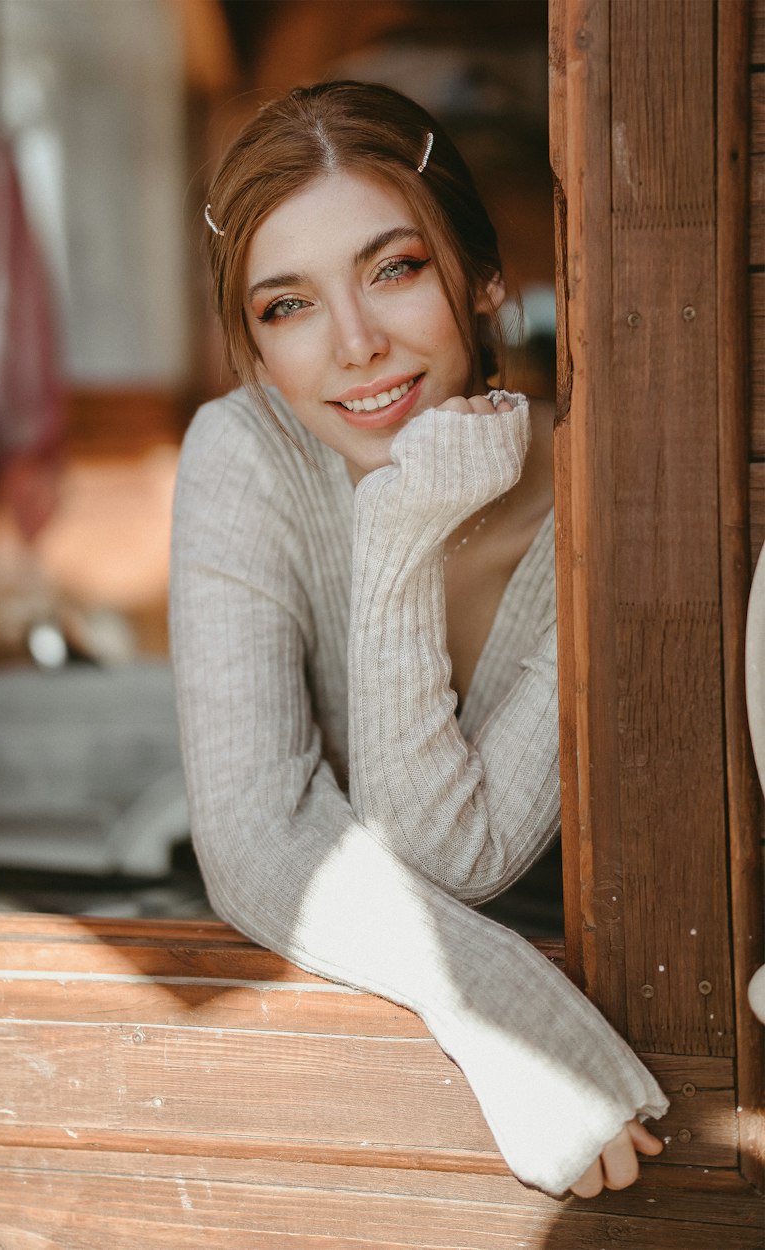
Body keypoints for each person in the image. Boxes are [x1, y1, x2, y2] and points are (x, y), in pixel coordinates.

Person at [170, 81, 667, 1198]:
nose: (353, 344)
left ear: (484, 282)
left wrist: (396, 520)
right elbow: (256, 837)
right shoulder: (242, 452)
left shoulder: (602, 496)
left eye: (392, 270)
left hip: (613, 961)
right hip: (399, 1002)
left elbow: (457, 853)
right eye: (285, 306)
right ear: (252, 351)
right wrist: (509, 1017)